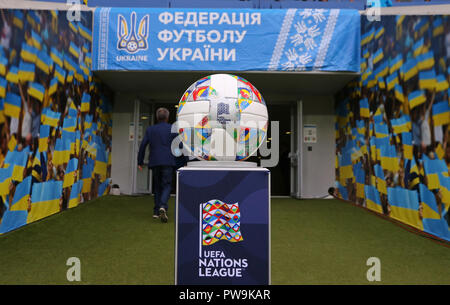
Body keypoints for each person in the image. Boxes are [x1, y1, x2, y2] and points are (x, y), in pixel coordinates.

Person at [137, 108, 176, 223]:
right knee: (167, 185)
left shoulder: (150, 129)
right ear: (167, 117)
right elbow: (179, 145)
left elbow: (143, 145)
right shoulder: (172, 129)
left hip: (155, 161)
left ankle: (156, 212)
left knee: (157, 186)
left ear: (157, 117)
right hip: (168, 161)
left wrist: (140, 161)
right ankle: (163, 205)